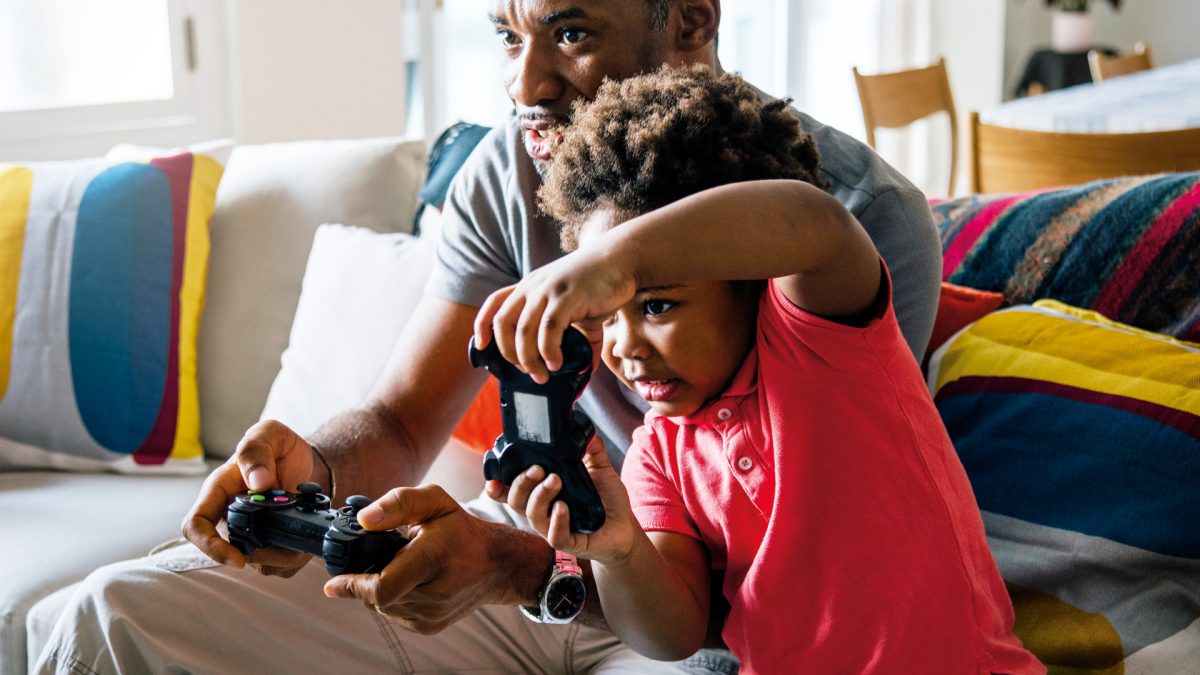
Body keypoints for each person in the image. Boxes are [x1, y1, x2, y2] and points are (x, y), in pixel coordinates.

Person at [34, 1, 943, 673]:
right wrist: (308, 474)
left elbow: (769, 573)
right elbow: (398, 424)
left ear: (694, 20)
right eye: (509, 36)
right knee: (109, 614)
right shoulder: (508, 168)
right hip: (585, 557)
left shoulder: (864, 220)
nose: (525, 86)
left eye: (572, 32)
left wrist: (519, 562)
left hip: (701, 617)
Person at [476, 64, 1043, 674]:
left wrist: (619, 260)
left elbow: (814, 223)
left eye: (657, 304)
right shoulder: (658, 455)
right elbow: (673, 635)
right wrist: (618, 551)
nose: (624, 345)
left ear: (751, 280)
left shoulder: (823, 345)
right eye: (607, 317)